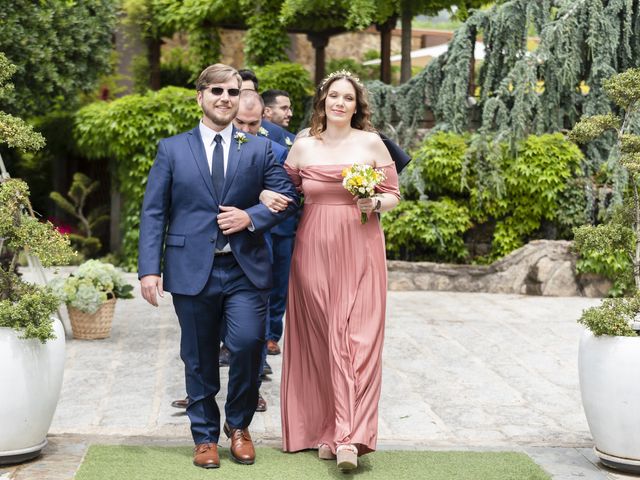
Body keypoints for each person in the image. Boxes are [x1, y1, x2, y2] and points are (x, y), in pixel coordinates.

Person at [138, 63, 298, 469]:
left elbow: (286, 198)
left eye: (231, 91)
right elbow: (155, 212)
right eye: (217, 92)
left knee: (247, 345)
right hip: (191, 269)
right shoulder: (172, 149)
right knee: (198, 356)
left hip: (246, 269)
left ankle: (239, 426)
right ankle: (205, 436)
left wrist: (251, 216)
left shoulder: (258, 148)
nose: (225, 98)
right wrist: (148, 270)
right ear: (201, 97)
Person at [280, 70, 400, 471]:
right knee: (322, 339)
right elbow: (285, 191)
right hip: (312, 247)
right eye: (334, 96)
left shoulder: (371, 143)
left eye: (348, 98)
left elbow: (394, 194)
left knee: (356, 340)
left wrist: (376, 205)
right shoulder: (302, 147)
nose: (340, 103)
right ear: (323, 100)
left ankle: (351, 438)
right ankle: (329, 430)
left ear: (356, 106)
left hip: (361, 245)